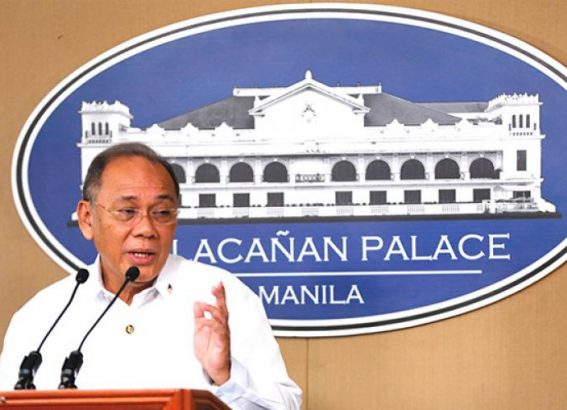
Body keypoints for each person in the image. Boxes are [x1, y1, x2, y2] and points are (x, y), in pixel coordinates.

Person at [0, 143, 301, 409]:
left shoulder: (220, 297)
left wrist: (226, 374)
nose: (146, 229)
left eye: (162, 212)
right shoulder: (42, 316)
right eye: (127, 211)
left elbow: (285, 407)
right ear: (87, 218)